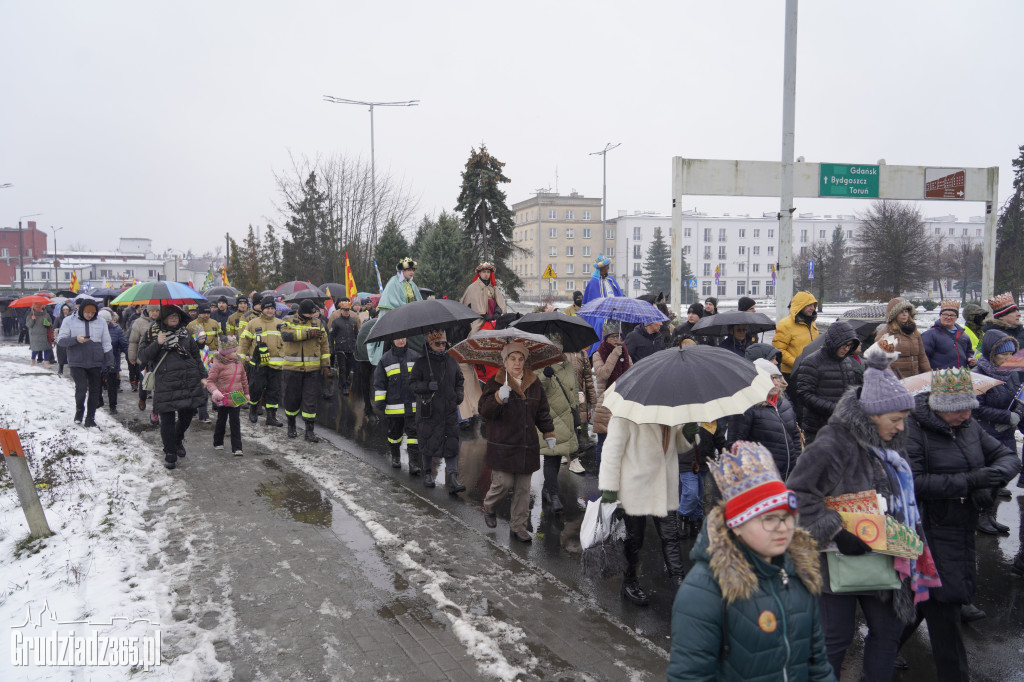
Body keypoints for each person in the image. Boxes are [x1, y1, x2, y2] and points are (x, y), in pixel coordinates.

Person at [787, 339, 920, 680]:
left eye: (905, 418)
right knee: (834, 639)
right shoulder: (832, 443)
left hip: (884, 554)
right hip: (836, 562)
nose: (901, 426)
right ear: (872, 415)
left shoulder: (890, 445)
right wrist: (839, 532)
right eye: (895, 418)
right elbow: (796, 497)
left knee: (888, 635)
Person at [668, 442, 835, 682]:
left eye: (787, 516)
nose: (783, 528)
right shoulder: (705, 590)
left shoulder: (800, 571)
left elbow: (818, 664)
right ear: (737, 526)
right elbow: (689, 676)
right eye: (768, 518)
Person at [901, 367, 1020, 681]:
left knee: (922, 605)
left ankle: (880, 653)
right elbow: (913, 483)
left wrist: (988, 482)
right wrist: (970, 481)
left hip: (961, 527)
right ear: (940, 407)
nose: (968, 414)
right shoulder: (912, 431)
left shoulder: (969, 425)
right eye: (959, 409)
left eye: (970, 407)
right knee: (945, 606)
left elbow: (1008, 458)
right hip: (929, 530)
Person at [600, 414, 690, 603]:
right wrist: (610, 489)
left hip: (664, 488)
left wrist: (689, 432)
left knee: (670, 536)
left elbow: (680, 446)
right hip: (635, 488)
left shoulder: (673, 412)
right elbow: (612, 451)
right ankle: (629, 582)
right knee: (634, 539)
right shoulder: (626, 413)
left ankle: (679, 583)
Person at [479, 342, 556, 542]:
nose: (517, 363)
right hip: (502, 445)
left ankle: (518, 526)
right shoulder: (494, 382)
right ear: (504, 361)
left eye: (521, 359)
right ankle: (489, 506)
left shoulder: (534, 382)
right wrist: (497, 397)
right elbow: (484, 411)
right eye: (512, 358)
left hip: (526, 445)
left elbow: (542, 411)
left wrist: (548, 433)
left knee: (523, 489)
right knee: (503, 483)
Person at [137, 305, 208, 468]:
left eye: (176, 315)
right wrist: (158, 343)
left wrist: (203, 376)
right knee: (167, 418)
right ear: (164, 318)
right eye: (170, 315)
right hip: (165, 382)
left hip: (187, 380)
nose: (174, 318)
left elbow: (195, 355)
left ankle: (177, 439)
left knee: (187, 415)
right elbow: (143, 356)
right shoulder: (152, 332)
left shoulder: (185, 333)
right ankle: (170, 452)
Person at [971, 329, 1023, 532]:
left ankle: (989, 515)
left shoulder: (1011, 373)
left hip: (1006, 432)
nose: (1009, 358)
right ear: (992, 354)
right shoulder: (977, 375)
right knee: (988, 477)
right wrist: (1004, 417)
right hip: (985, 433)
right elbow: (976, 406)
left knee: (1004, 474)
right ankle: (980, 516)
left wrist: (1016, 414)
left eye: (1011, 354)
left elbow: (1018, 396)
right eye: (1003, 354)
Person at [409, 330, 466, 493]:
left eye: (444, 343)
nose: (441, 347)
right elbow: (412, 384)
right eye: (437, 344)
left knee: (452, 443)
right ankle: (427, 473)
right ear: (429, 344)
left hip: (449, 410)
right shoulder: (421, 363)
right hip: (429, 410)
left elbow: (459, 380)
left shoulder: (452, 361)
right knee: (428, 441)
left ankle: (453, 477)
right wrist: (426, 386)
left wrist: (459, 395)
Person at [727, 359, 803, 480]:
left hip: (790, 475)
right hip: (763, 478)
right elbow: (735, 445)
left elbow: (794, 436)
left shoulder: (785, 404)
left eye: (777, 378)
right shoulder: (747, 408)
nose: (775, 383)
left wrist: (798, 461)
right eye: (770, 378)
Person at [795, 321, 862, 443]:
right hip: (818, 428)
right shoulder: (811, 362)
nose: (846, 349)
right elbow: (804, 395)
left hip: (843, 425)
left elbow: (850, 389)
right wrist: (833, 407)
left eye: (850, 345)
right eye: (844, 345)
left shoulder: (847, 361)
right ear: (834, 342)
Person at [55, 298, 113, 427]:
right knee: (81, 388)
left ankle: (90, 418)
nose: (90, 315)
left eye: (93, 313)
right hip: (77, 360)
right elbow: (61, 340)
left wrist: (110, 361)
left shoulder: (101, 322)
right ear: (81, 310)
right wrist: (76, 339)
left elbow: (106, 342)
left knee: (95, 390)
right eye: (87, 312)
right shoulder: (69, 320)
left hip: (95, 360)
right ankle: (79, 411)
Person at [280, 299, 331, 442]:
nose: (310, 316)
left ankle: (309, 432)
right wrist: (309, 333)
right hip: (292, 368)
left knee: (310, 401)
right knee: (292, 400)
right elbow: (286, 336)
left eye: (312, 313)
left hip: (312, 370)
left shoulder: (318, 323)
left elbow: (325, 345)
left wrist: (325, 364)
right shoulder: (288, 320)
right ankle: (291, 425)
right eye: (308, 314)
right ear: (301, 312)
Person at [536, 353, 581, 513]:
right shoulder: (541, 364)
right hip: (550, 417)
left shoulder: (568, 365)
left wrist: (576, 407)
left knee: (557, 455)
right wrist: (544, 376)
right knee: (550, 455)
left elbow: (574, 388)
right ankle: (554, 495)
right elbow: (534, 389)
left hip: (567, 417)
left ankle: (548, 489)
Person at [374, 337, 422, 474]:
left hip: (412, 404)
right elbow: (380, 382)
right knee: (395, 434)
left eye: (403, 338)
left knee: (413, 434)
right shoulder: (385, 359)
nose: (401, 341)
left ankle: (413, 462)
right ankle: (395, 456)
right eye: (397, 339)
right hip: (393, 405)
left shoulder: (415, 356)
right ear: (392, 340)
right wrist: (380, 401)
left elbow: (421, 378)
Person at [238, 295, 286, 428]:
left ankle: (271, 416)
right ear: (262, 309)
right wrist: (242, 359)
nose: (270, 310)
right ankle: (253, 410)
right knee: (256, 389)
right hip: (258, 365)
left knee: (274, 391)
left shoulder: (280, 324)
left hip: (276, 366)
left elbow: (286, 344)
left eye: (272, 308)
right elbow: (244, 342)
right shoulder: (253, 323)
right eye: (267, 308)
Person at [592, 320, 631, 468]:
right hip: (606, 403)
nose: (617, 340)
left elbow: (631, 373)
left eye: (619, 336)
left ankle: (617, 472)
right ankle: (601, 474)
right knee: (603, 440)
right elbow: (603, 374)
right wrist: (614, 355)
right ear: (606, 337)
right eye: (613, 336)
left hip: (622, 401)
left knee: (620, 441)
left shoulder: (624, 352)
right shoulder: (598, 354)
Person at [677, 421, 725, 540]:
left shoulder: (711, 421)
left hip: (704, 462)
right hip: (686, 462)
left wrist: (724, 451)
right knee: (691, 493)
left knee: (699, 493)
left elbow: (719, 439)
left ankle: (695, 521)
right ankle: (683, 517)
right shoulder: (683, 419)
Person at [206, 336, 250, 455]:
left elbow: (244, 379)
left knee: (235, 421)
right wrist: (215, 391)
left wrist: (246, 393)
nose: (236, 353)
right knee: (221, 419)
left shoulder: (239, 362)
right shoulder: (217, 364)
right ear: (225, 353)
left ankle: (237, 448)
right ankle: (218, 442)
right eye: (233, 351)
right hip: (223, 397)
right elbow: (210, 381)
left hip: (237, 396)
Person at [876, 297, 930, 379]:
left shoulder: (914, 332)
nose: (904, 314)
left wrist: (928, 375)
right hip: (896, 381)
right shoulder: (886, 333)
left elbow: (922, 357)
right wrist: (892, 380)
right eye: (900, 312)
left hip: (914, 379)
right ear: (894, 315)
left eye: (906, 311)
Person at [582, 255, 624, 355]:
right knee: (600, 323)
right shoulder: (593, 282)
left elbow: (620, 296)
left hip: (614, 311)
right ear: (601, 267)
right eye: (606, 266)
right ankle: (597, 349)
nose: (608, 267)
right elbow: (592, 303)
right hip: (599, 314)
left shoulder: (611, 280)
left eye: (608, 265)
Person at [187, 302, 221, 423]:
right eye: (203, 313)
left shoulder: (214, 323)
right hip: (195, 360)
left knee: (211, 384)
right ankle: (194, 410)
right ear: (198, 313)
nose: (206, 315)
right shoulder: (192, 324)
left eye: (207, 313)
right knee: (197, 389)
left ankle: (212, 405)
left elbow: (220, 337)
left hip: (211, 358)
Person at [772, 291, 819, 377]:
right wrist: (798, 364)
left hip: (811, 371)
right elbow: (779, 350)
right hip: (792, 373)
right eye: (809, 305)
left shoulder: (812, 322)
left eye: (813, 305)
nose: (812, 308)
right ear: (800, 306)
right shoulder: (785, 324)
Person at [129, 304, 161, 424]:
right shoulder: (138, 322)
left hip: (158, 360)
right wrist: (132, 357)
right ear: (148, 311)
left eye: (157, 311)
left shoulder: (163, 322)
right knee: (145, 383)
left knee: (157, 387)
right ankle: (142, 398)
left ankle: (155, 411)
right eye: (152, 311)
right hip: (144, 359)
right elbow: (133, 341)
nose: (154, 313)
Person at [922, 299, 975, 370]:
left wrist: (970, 359)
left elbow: (969, 352)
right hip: (940, 377)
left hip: (961, 377)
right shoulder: (930, 334)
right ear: (940, 316)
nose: (948, 317)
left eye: (952, 315)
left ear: (956, 318)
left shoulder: (963, 335)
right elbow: (923, 357)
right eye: (945, 314)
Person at [97, 309, 128, 415]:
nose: (105, 324)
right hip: (97, 361)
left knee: (112, 386)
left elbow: (124, 345)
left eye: (107, 321)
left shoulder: (116, 330)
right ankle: (99, 400)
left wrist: (130, 356)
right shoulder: (94, 329)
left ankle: (112, 406)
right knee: (97, 384)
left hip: (112, 361)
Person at [329, 298, 359, 396]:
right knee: (342, 368)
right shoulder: (336, 322)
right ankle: (345, 386)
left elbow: (356, 334)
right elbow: (331, 335)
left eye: (347, 310)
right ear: (341, 311)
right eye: (344, 310)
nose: (346, 312)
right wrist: (332, 348)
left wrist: (356, 346)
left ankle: (342, 382)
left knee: (348, 368)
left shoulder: (353, 321)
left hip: (351, 348)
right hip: (340, 348)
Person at [26, 301, 54, 367]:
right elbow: (28, 325)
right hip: (35, 335)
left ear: (42, 306)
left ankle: (46, 362)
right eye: (36, 307)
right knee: (35, 349)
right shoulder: (30, 315)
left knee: (46, 348)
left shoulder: (46, 314)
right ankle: (33, 360)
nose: (38, 308)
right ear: (33, 307)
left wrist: (48, 323)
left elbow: (50, 322)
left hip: (44, 334)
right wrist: (32, 319)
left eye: (39, 307)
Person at [53, 303, 73, 376]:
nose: (65, 311)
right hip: (61, 338)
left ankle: (71, 369)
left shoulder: (72, 318)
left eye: (67, 310)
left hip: (69, 338)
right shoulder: (58, 318)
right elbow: (54, 327)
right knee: (61, 354)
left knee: (70, 354)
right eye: (64, 310)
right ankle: (60, 368)